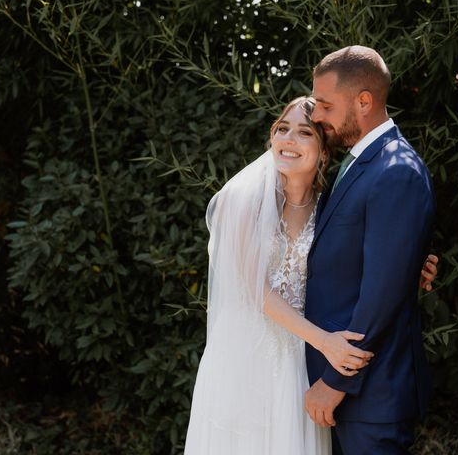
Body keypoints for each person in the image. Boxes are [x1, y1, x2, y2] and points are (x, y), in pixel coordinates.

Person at [183, 96, 438, 454]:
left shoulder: (329, 207)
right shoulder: (240, 202)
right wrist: (325, 341)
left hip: (303, 366)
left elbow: (361, 264)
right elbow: (256, 290)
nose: (288, 139)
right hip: (248, 359)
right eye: (282, 129)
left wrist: (409, 265)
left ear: (323, 152)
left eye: (304, 132)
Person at [304, 46, 435, 455]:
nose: (317, 115)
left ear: (364, 101)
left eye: (326, 104)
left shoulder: (395, 170)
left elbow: (383, 295)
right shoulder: (358, 163)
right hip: (346, 392)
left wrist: (335, 382)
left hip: (369, 394)